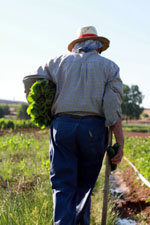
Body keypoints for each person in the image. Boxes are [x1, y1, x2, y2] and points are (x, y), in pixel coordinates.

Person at [34, 26, 124, 225]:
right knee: (85, 186)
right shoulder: (110, 67)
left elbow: (31, 80)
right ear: (99, 47)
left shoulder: (58, 62)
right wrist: (120, 140)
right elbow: (111, 106)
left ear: (77, 46)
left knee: (63, 184)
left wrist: (43, 107)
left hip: (62, 126)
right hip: (92, 129)